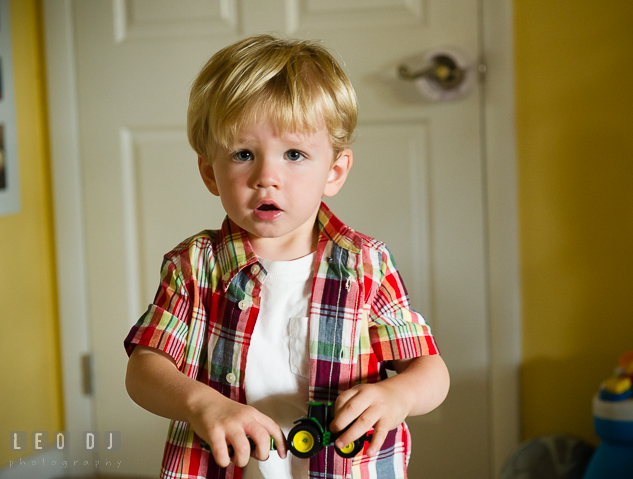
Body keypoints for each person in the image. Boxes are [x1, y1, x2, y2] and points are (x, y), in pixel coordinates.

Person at [124, 34, 449, 479]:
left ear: (333, 172)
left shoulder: (365, 265)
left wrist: (400, 397)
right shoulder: (195, 266)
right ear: (209, 172)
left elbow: (430, 369)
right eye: (243, 154)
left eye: (294, 154)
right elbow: (145, 369)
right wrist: (203, 404)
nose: (266, 178)